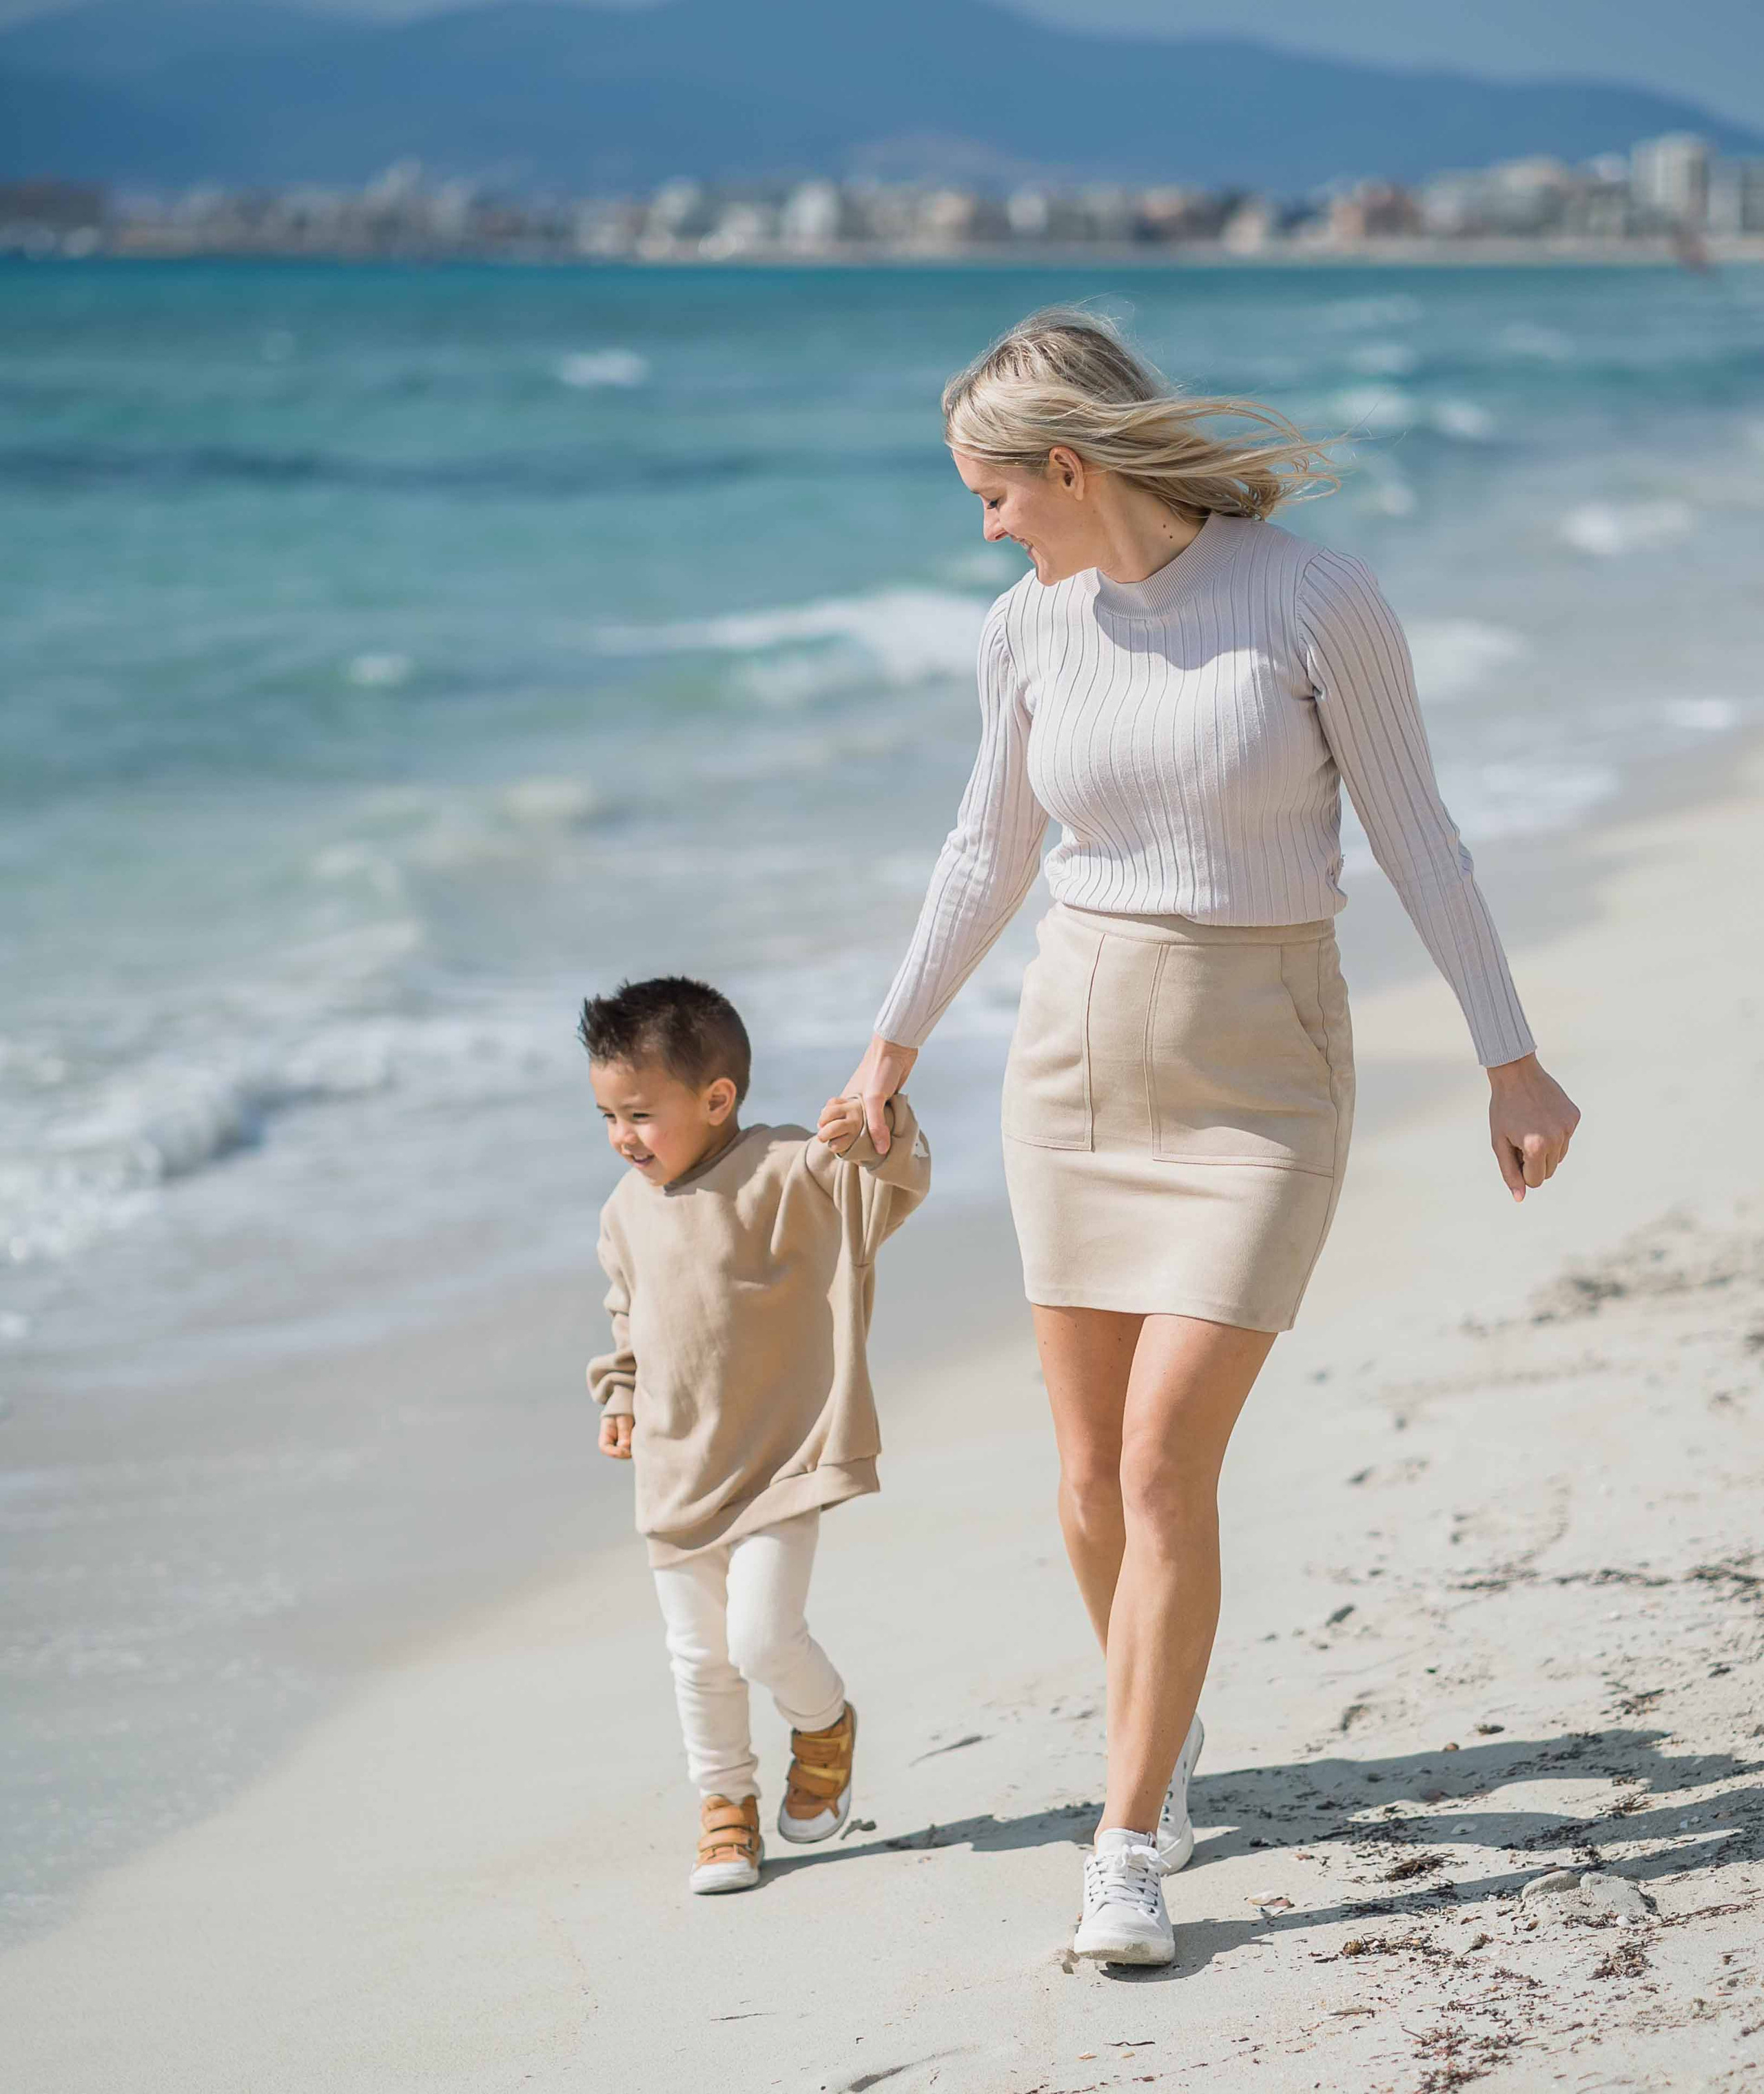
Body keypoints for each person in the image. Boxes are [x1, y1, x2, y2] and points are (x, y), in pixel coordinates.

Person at [840, 310, 1579, 1965]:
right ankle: (1156, 1740)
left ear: (1066, 464)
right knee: (1089, 1471)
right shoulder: (1025, 628)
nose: (985, 526)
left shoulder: (1310, 597)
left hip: (1263, 1072)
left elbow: (1418, 838)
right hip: (1075, 1063)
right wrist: (887, 1047)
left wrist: (1508, 1060)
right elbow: (983, 852)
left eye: (991, 492)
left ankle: (1123, 1846)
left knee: (1168, 1457)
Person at [582, 975, 930, 1895]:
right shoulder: (623, 1210)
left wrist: (876, 1124)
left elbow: (886, 1180)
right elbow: (629, 1316)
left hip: (784, 1455)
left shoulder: (787, 1168)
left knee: (761, 1640)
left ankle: (822, 1726)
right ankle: (725, 1808)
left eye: (640, 1115)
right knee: (699, 1660)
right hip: (674, 1466)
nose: (623, 1137)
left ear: (717, 1098)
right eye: (609, 1117)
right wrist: (619, 1396)